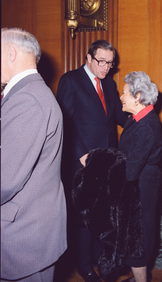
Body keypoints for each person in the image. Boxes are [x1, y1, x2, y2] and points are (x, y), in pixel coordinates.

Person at [56, 40, 128, 282]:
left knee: (103, 215)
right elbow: (65, 122)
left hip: (107, 161)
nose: (106, 67)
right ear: (88, 58)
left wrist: (142, 119)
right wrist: (81, 154)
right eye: (101, 61)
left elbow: (117, 116)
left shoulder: (109, 83)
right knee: (84, 218)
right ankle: (84, 266)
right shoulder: (71, 80)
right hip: (83, 162)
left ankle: (100, 260)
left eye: (110, 63)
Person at [1, 27, 67, 281]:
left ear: (10, 53)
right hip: (28, 231)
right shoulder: (28, 93)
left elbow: (5, 179)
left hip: (23, 238)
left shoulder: (27, 98)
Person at [118, 71, 162, 282]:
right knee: (138, 235)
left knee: (139, 236)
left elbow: (130, 170)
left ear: (137, 96)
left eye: (124, 92)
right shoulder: (138, 119)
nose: (121, 96)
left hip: (140, 188)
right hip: (141, 185)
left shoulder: (145, 126)